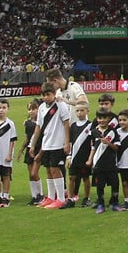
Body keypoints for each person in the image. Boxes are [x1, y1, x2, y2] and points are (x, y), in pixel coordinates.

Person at [31, 72, 74, 210]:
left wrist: (67, 142)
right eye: (43, 95)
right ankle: (50, 196)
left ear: (54, 93)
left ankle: (61, 198)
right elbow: (38, 127)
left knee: (55, 169)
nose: (45, 97)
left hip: (57, 143)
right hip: (46, 143)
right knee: (48, 170)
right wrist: (33, 145)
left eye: (48, 94)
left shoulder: (60, 106)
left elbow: (66, 123)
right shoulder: (42, 108)